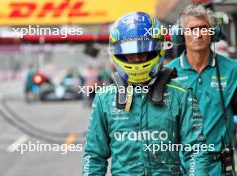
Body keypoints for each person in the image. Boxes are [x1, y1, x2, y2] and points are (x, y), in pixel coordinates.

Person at [82, 12, 208, 176]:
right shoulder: (105, 98)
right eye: (130, 53)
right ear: (117, 53)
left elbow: (196, 152)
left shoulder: (181, 94)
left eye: (142, 52)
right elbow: (94, 156)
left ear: (157, 49)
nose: (136, 59)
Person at [168, 5, 237, 176]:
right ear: (182, 35)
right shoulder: (167, 74)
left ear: (213, 33)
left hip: (221, 167)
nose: (198, 34)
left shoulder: (235, 71)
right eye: (192, 29)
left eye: (204, 28)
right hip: (182, 166)